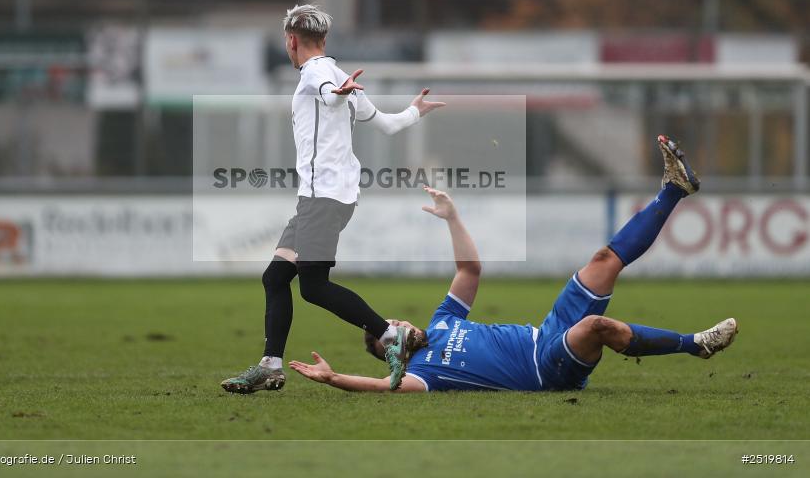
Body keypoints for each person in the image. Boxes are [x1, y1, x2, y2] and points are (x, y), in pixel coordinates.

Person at [289, 135, 738, 393]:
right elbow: (384, 388)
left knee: (602, 261)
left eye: (395, 319)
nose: (400, 323)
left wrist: (453, 217)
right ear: (392, 352)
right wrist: (334, 379)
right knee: (595, 328)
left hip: (548, 330)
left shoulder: (443, 321)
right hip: (547, 370)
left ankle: (674, 189)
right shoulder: (424, 375)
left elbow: (469, 272)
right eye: (391, 330)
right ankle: (694, 343)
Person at [222, 4, 445, 394]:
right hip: (323, 197)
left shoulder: (318, 74)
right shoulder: (337, 75)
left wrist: (337, 94)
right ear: (323, 39)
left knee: (313, 286)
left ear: (291, 41)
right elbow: (388, 124)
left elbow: (326, 94)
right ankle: (271, 365)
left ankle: (389, 335)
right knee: (276, 277)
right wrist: (413, 111)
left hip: (324, 197)